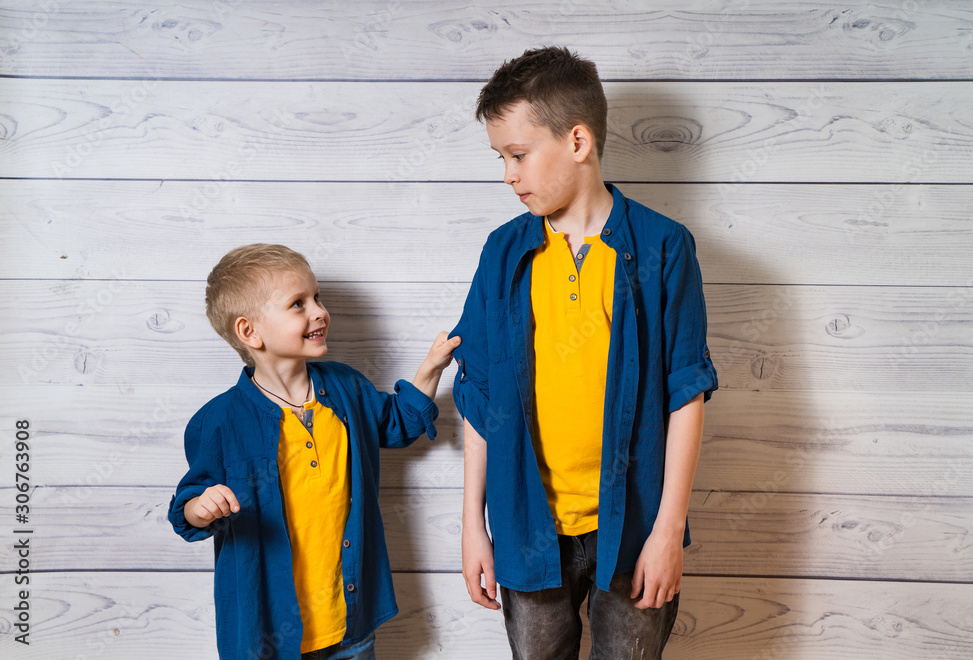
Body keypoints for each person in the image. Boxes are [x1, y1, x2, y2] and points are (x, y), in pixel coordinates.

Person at [450, 46, 718, 658]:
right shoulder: (503, 252)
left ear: (578, 141)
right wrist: (475, 527)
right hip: (527, 530)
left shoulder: (664, 248)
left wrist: (668, 532)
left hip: (636, 528)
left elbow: (686, 393)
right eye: (502, 159)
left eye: (518, 156)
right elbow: (481, 395)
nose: (509, 175)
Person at [168, 244, 460, 660]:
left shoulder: (346, 387)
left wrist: (432, 367)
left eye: (317, 297)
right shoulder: (219, 421)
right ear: (249, 332)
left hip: (351, 625)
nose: (319, 311)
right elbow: (188, 511)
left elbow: (398, 423)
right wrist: (203, 506)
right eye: (298, 304)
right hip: (267, 635)